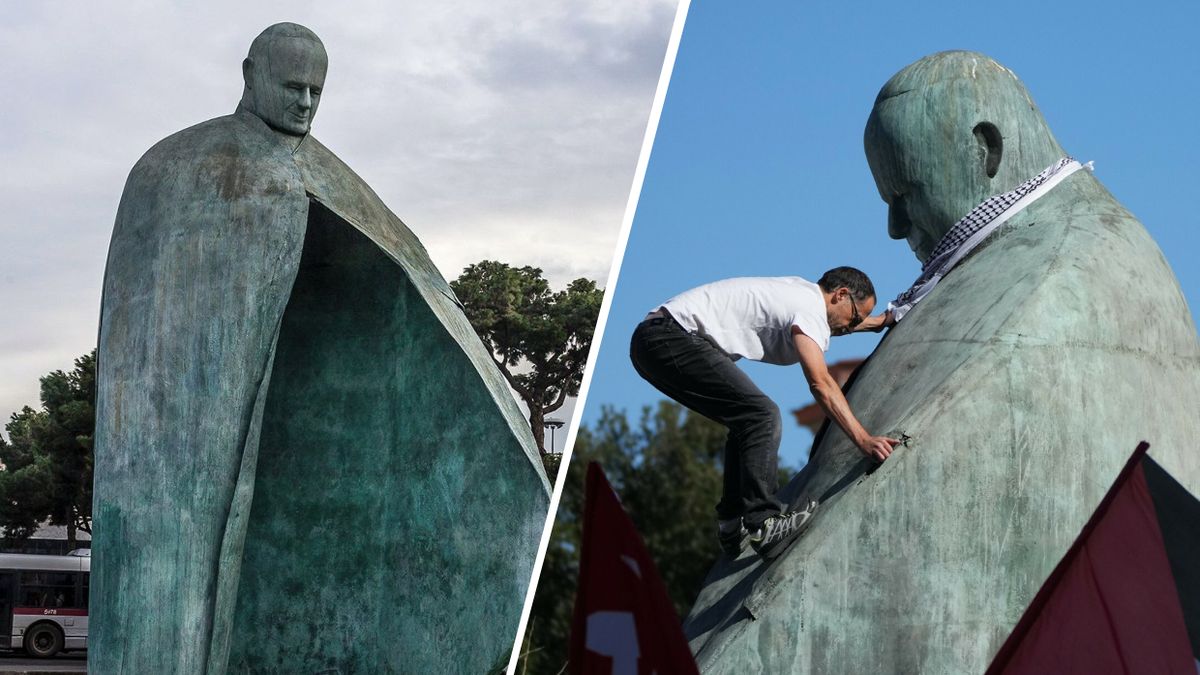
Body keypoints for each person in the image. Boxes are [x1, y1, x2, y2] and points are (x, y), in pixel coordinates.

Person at [629, 267, 898, 559]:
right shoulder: (809, 309)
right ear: (841, 294)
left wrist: (878, 322)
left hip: (652, 342)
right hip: (672, 337)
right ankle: (764, 523)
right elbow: (821, 384)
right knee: (762, 415)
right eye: (855, 317)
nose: (850, 326)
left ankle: (731, 522)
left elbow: (835, 323)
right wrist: (863, 440)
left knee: (746, 421)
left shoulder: (801, 295)